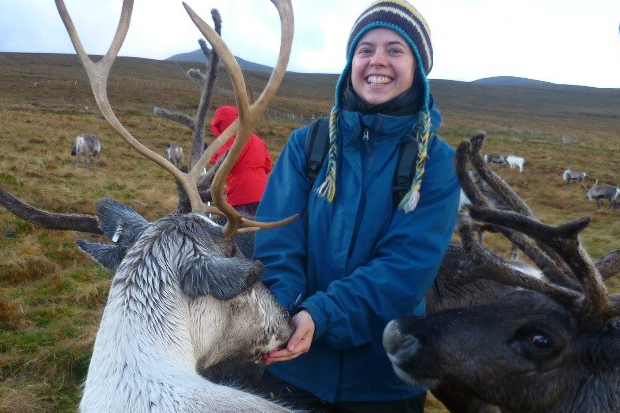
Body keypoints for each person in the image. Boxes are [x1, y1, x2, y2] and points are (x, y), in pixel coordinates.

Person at [254, 1, 461, 412]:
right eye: (365, 49)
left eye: (395, 50)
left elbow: (404, 270)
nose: (377, 61)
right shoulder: (307, 145)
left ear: (418, 66)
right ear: (351, 61)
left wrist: (322, 314)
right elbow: (277, 241)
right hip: (293, 373)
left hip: (384, 384)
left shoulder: (435, 164)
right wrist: (283, 315)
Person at [209, 105, 273, 216]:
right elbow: (268, 166)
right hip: (263, 193)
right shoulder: (257, 139)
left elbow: (218, 164)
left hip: (239, 195)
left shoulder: (229, 141)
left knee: (240, 230)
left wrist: (211, 155)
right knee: (261, 228)